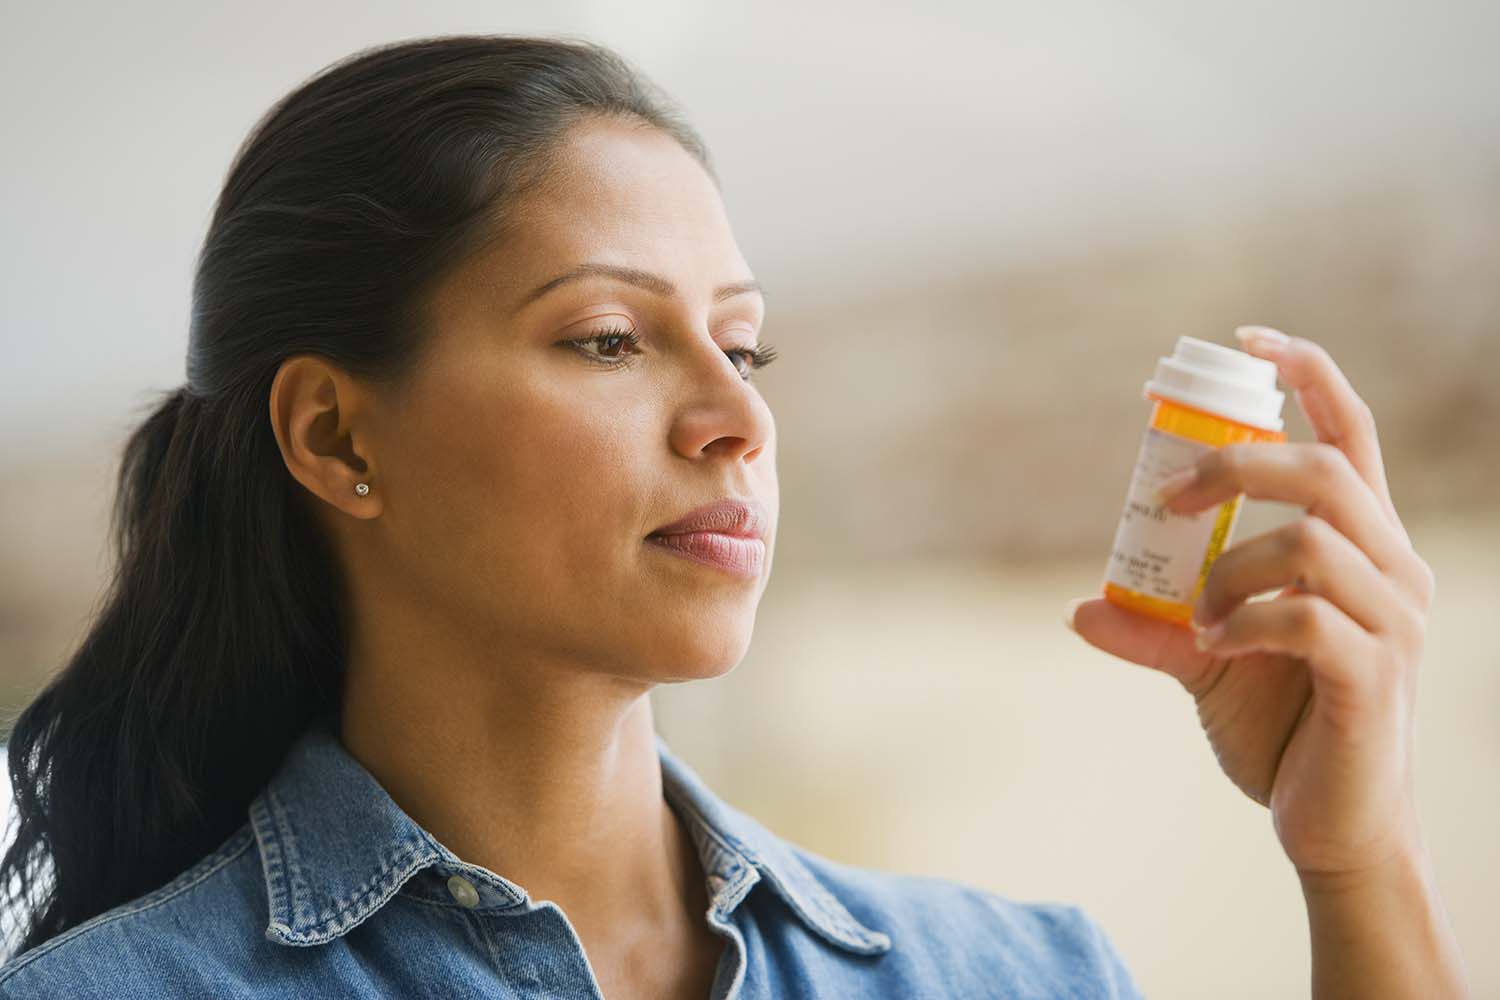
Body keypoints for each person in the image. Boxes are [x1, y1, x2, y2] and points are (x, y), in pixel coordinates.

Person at [0, 33, 1467, 1000]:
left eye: (744, 345)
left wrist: (1354, 860)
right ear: (335, 432)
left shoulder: (1014, 978)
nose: (739, 418)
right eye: (607, 340)